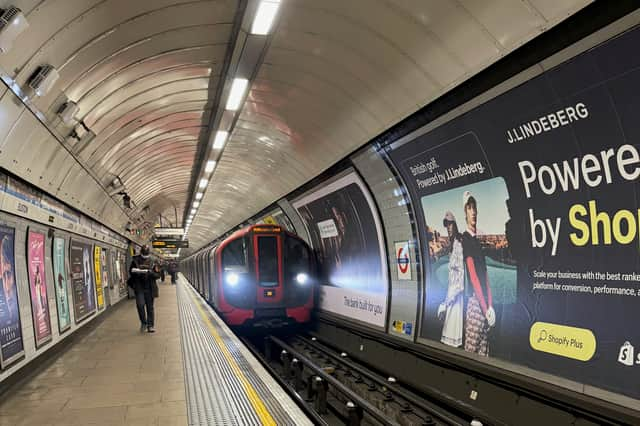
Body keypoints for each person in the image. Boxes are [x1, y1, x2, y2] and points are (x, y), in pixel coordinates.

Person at [461, 191, 495, 356]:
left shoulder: (477, 241)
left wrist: (490, 305)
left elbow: (485, 276)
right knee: (471, 354)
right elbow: (474, 277)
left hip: (484, 306)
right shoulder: (466, 239)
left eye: (474, 208)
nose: (473, 212)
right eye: (469, 208)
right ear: (465, 212)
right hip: (475, 304)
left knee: (483, 354)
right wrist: (483, 306)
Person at [437, 211, 464, 348]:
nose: (448, 227)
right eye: (446, 225)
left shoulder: (459, 244)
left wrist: (445, 303)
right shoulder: (452, 245)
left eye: (450, 224)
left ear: (455, 224)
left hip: (456, 300)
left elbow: (460, 282)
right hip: (451, 296)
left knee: (452, 342)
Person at [129, 245, 160, 332]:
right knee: (140, 305)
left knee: (150, 307)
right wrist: (136, 272)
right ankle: (144, 323)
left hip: (150, 287)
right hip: (139, 287)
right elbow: (130, 271)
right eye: (143, 254)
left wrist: (151, 273)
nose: (145, 256)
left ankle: (150, 326)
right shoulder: (135, 260)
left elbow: (158, 275)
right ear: (141, 252)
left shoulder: (154, 261)